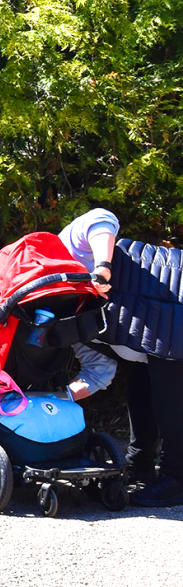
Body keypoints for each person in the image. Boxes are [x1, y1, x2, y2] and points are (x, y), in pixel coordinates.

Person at [61, 208, 183, 507]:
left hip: (172, 302)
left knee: (170, 401)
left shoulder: (62, 248)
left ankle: (176, 479)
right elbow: (98, 371)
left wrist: (102, 266)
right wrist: (55, 399)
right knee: (141, 391)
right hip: (149, 333)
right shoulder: (57, 313)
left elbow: (102, 219)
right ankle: (140, 467)